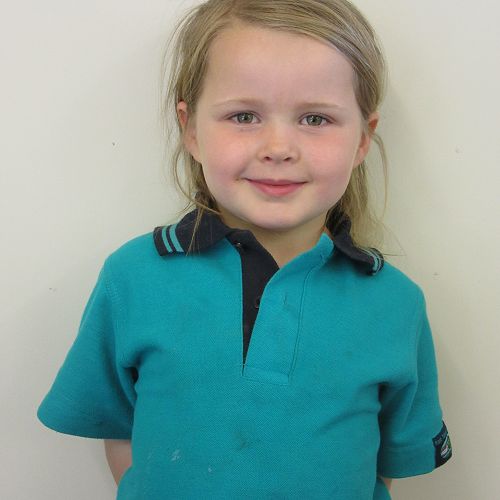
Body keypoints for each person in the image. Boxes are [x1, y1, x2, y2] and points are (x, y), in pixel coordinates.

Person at [37, 0, 452, 498]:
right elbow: (120, 431)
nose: (278, 148)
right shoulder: (132, 278)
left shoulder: (395, 303)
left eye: (315, 118)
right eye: (244, 115)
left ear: (363, 139)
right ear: (191, 129)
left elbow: (383, 468)